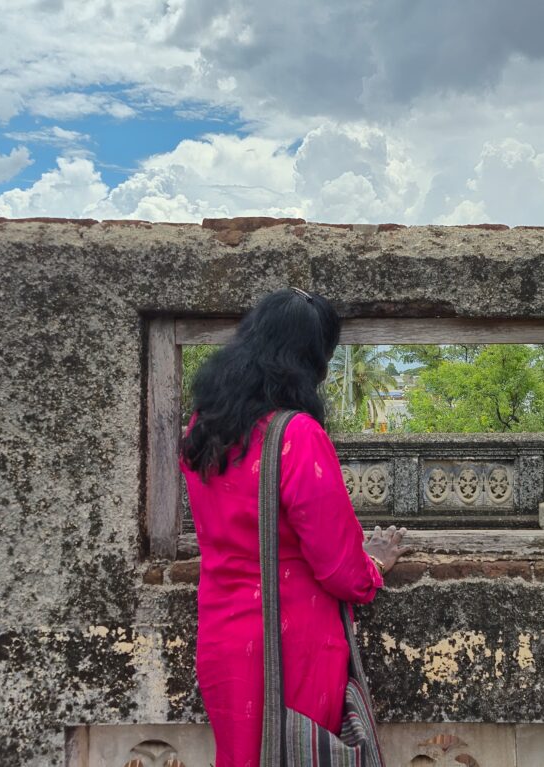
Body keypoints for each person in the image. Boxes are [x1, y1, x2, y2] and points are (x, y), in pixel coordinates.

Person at [178, 287, 411, 767]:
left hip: (222, 638)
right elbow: (340, 569)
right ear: (310, 360)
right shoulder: (296, 435)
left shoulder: (204, 428)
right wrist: (373, 563)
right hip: (289, 647)